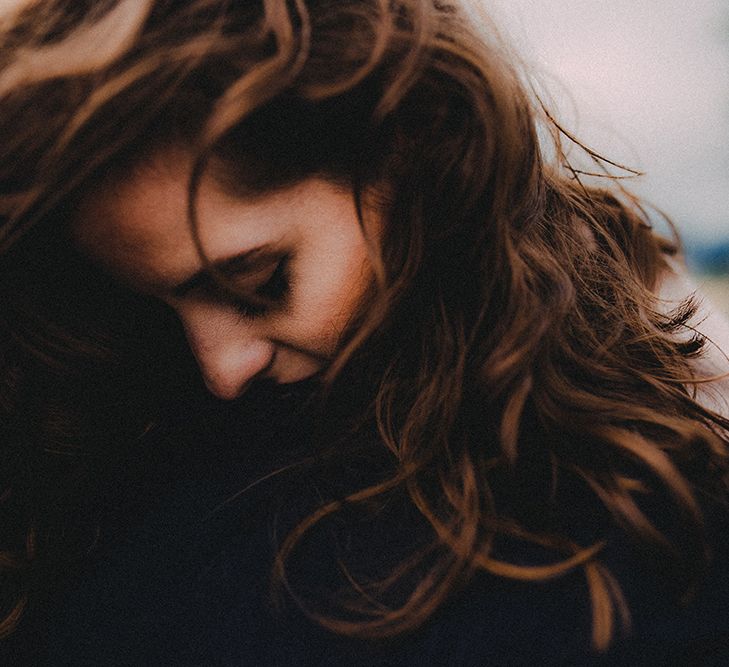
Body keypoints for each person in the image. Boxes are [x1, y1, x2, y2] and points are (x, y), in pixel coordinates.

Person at [1, 0, 728, 663]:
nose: (220, 371)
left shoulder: (655, 496)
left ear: (412, 148)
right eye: (158, 312)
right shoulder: (121, 449)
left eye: (258, 283)